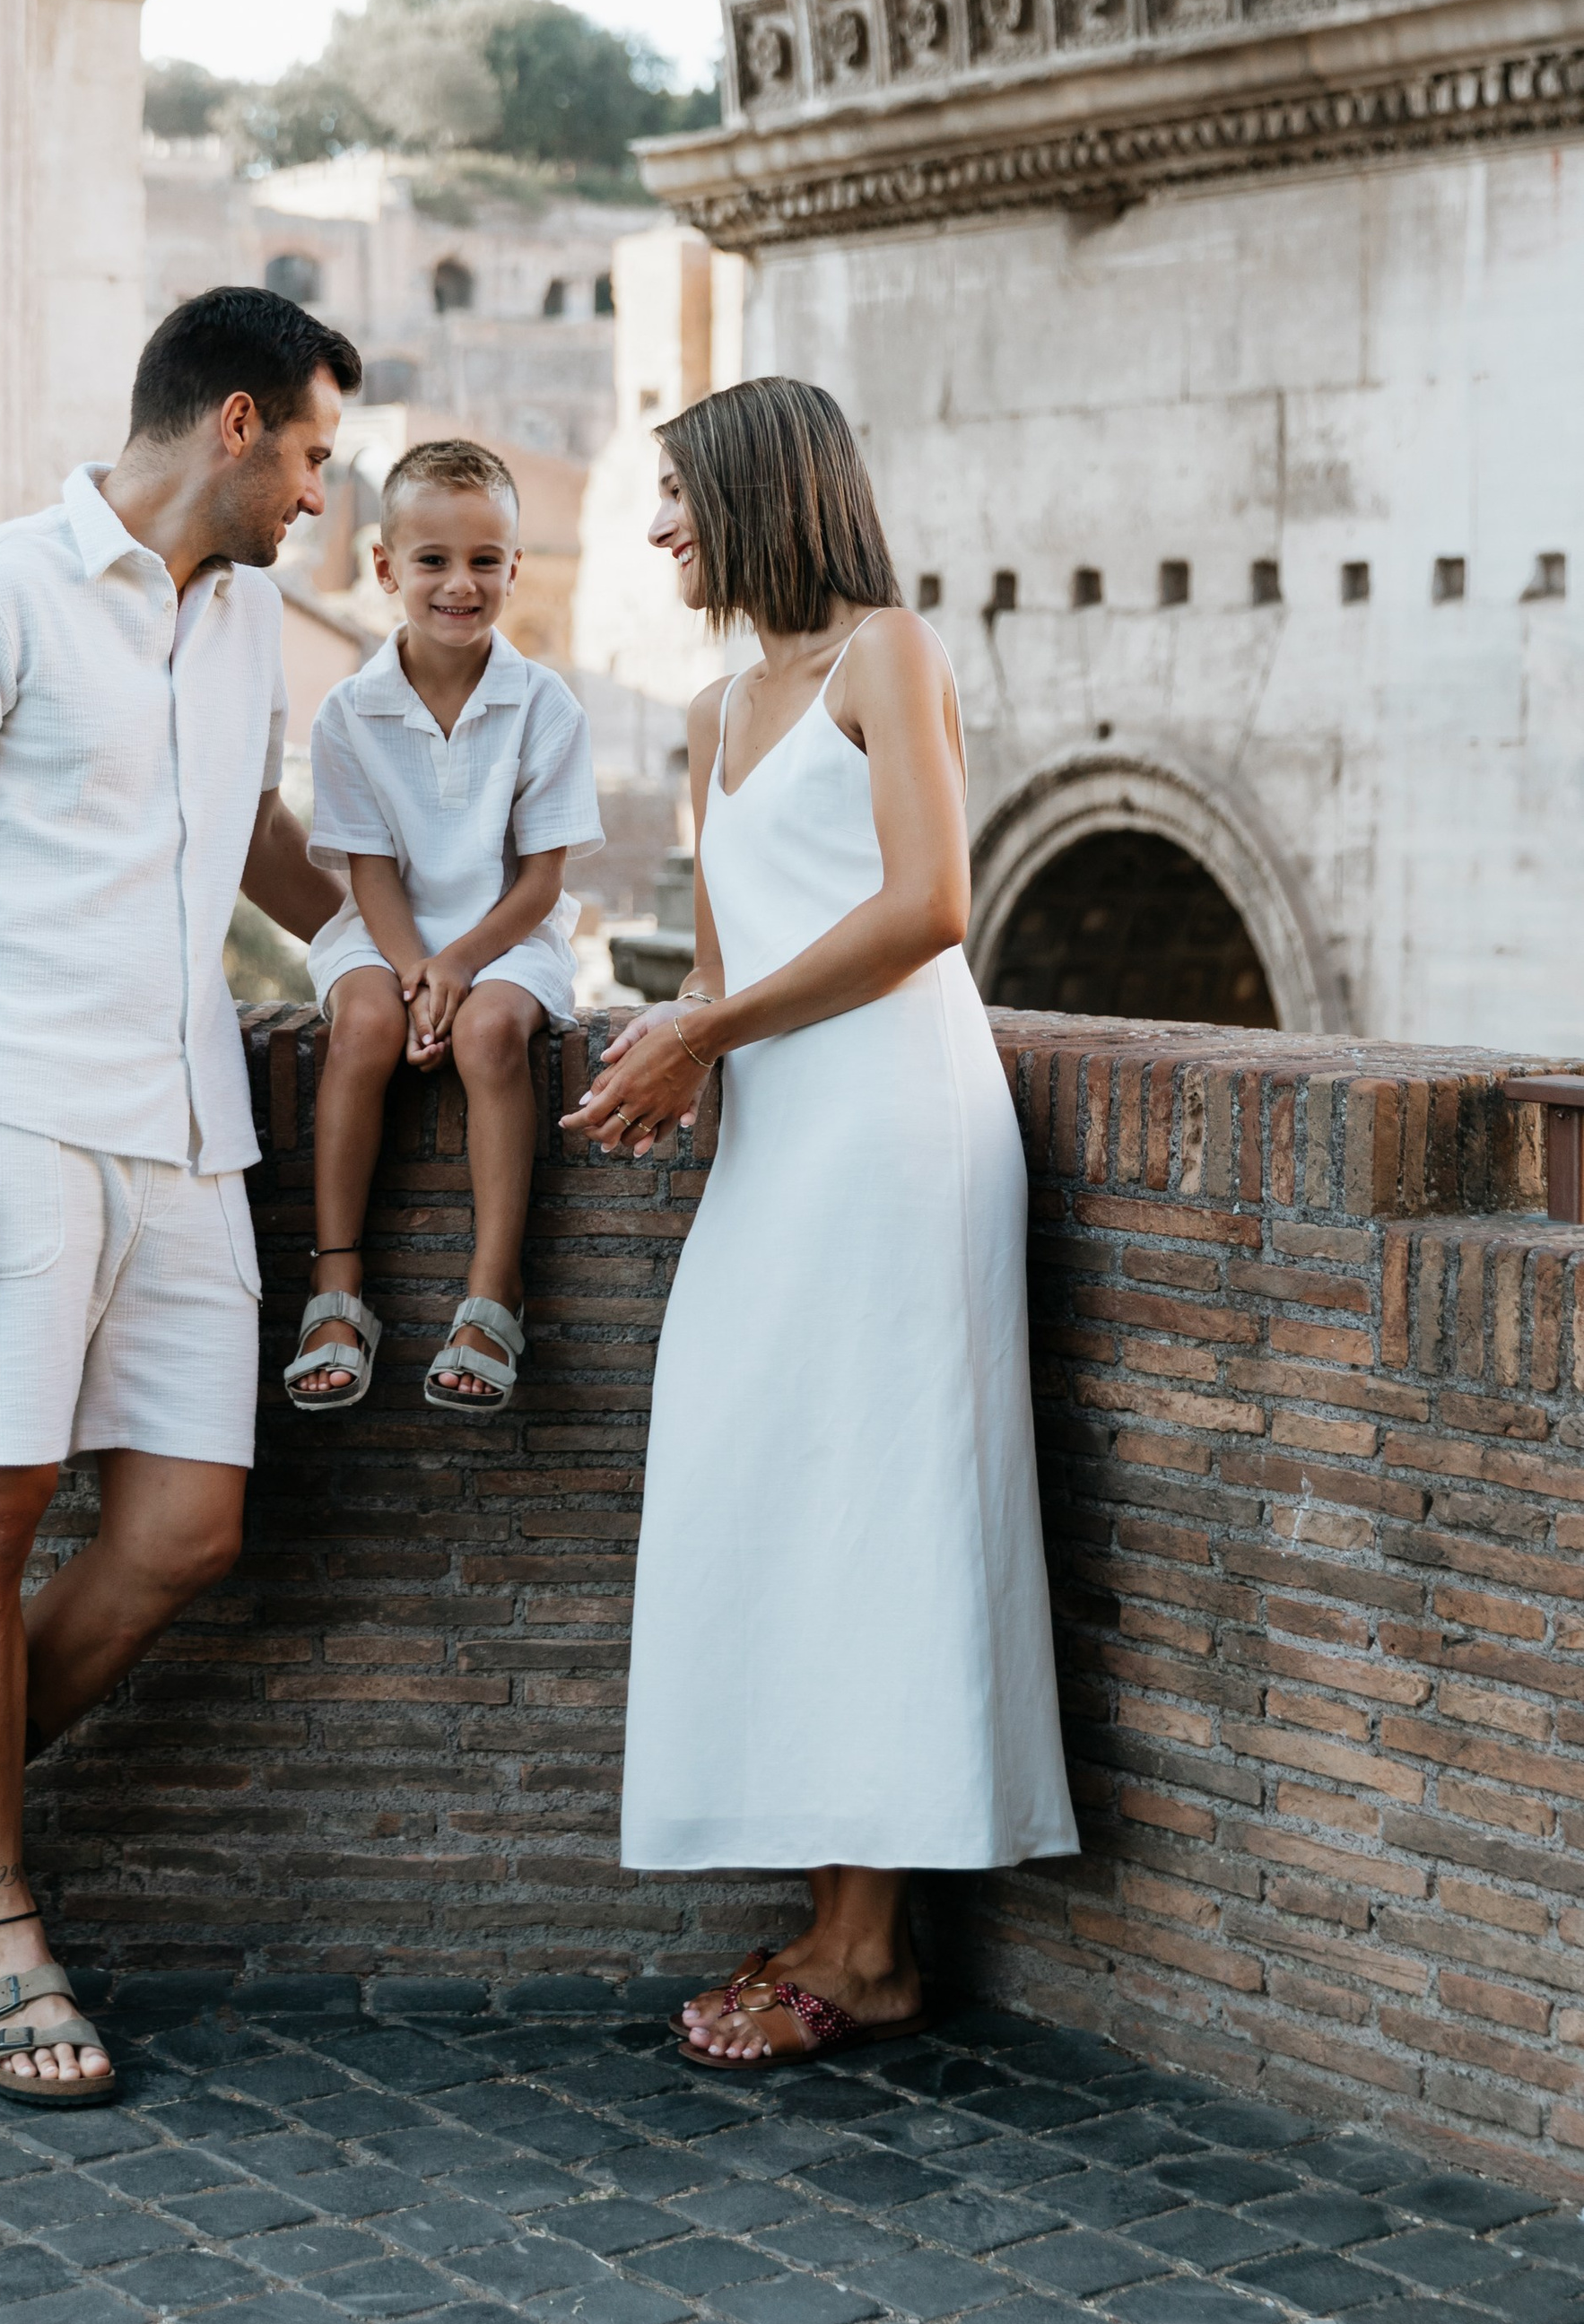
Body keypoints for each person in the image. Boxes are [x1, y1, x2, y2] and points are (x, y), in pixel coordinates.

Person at [0, 289, 356, 2106]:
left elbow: (238, 834)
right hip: (10, 1118)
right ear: (228, 422)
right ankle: (2, 1929)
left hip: (193, 1122)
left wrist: (379, 949)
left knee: (187, 1533)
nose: (315, 497)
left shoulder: (246, 617)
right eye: (307, 453)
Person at [564, 377, 1075, 2067]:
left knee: (881, 1502)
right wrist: (676, 1054)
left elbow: (933, 904)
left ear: (762, 490)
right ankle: (833, 1908)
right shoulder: (720, 709)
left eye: (679, 498)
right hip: (780, 1139)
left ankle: (867, 1948)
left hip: (899, 1134)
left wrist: (711, 1029)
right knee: (768, 1492)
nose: (658, 531)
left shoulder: (888, 655)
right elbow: (724, 956)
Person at [285, 439, 602, 1414]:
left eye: (483, 561)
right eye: (431, 561)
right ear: (385, 569)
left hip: (508, 933)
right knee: (368, 1027)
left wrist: (460, 965)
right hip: (384, 931)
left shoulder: (545, 706)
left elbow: (542, 881)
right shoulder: (348, 712)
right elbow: (370, 872)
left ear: (514, 568)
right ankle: (336, 1291)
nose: (458, 584)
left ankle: (491, 1291)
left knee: (490, 1032)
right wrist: (416, 964)